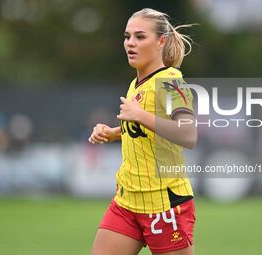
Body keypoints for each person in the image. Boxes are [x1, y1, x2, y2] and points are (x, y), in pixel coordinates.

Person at [89, 8, 197, 255]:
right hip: (127, 201)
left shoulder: (171, 80)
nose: (130, 43)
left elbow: (188, 134)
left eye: (140, 37)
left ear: (161, 41)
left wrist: (140, 115)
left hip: (164, 204)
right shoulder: (136, 83)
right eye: (127, 37)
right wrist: (114, 132)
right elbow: (144, 129)